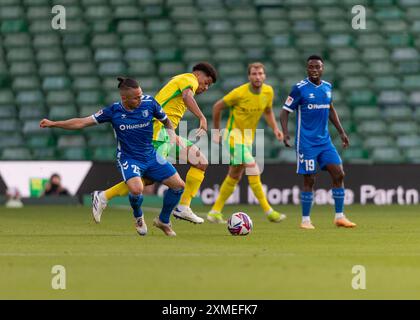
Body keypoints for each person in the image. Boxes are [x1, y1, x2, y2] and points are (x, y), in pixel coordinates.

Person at [40, 77, 185, 236]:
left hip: (150, 155)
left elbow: (166, 121)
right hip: (129, 158)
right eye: (136, 97)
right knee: (137, 189)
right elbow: (81, 122)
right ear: (124, 98)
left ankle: (163, 220)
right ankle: (138, 216)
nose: (140, 99)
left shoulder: (149, 103)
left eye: (140, 94)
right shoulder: (113, 111)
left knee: (178, 186)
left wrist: (173, 135)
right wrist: (54, 123)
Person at [92, 62, 217, 224]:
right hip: (156, 132)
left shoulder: (181, 80)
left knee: (200, 162)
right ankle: (103, 196)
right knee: (149, 179)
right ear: (198, 75)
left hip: (168, 135)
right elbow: (187, 96)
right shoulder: (190, 79)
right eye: (206, 83)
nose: (205, 88)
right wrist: (202, 117)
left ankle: (183, 207)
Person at [279, 55, 356, 230]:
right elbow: (284, 112)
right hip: (306, 143)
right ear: (307, 69)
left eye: (317, 67)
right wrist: (285, 133)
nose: (314, 70)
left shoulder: (327, 87)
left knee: (339, 174)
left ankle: (340, 217)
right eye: (311, 67)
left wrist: (341, 132)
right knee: (310, 179)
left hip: (325, 142)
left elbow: (330, 109)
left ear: (323, 68)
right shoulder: (299, 89)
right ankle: (305, 220)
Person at [207, 62, 286, 223]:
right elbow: (217, 107)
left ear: (264, 76)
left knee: (235, 175)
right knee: (253, 167)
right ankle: (269, 211)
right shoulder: (239, 93)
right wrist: (216, 132)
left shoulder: (268, 92)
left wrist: (276, 129)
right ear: (249, 76)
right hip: (233, 136)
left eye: (260, 73)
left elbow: (268, 111)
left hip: (247, 139)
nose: (257, 77)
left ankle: (214, 211)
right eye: (254, 74)